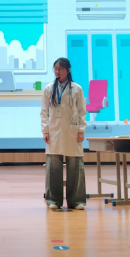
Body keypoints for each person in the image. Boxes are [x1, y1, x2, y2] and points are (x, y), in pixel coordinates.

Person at [40, 57, 87, 210]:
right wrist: (45, 130)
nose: (57, 71)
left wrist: (81, 130)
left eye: (60, 69)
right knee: (53, 167)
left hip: (72, 131)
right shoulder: (48, 89)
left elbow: (82, 112)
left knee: (75, 167)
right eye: (55, 69)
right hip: (54, 131)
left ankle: (76, 201)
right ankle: (53, 200)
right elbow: (44, 112)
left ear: (68, 70)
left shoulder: (77, 89)